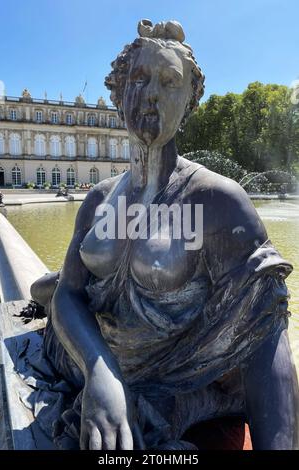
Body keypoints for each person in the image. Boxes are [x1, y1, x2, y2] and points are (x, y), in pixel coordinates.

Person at [31, 20, 299, 450]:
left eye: (170, 81)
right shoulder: (98, 199)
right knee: (47, 288)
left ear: (189, 102)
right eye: (139, 78)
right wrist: (101, 370)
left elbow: (265, 336)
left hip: (171, 374)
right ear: (118, 95)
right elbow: (70, 294)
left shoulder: (218, 201)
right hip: (92, 361)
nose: (152, 92)